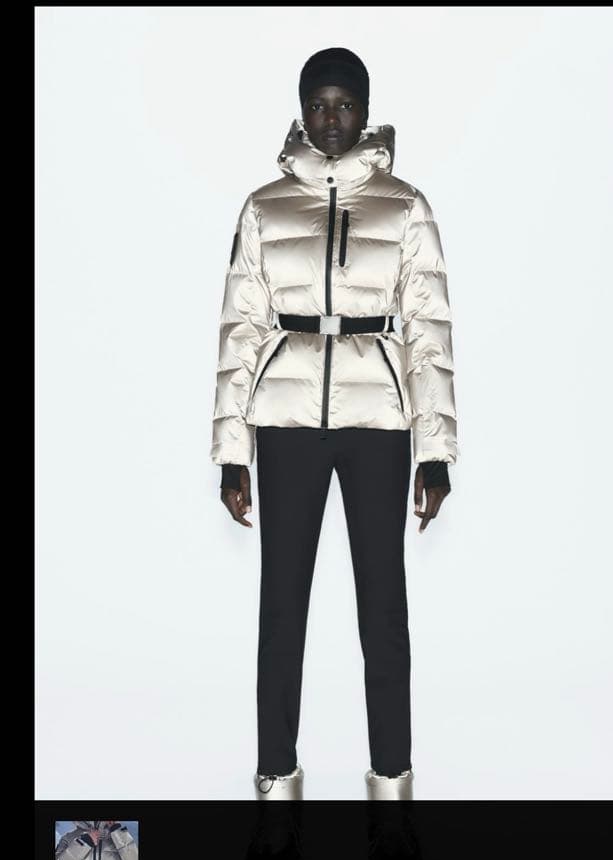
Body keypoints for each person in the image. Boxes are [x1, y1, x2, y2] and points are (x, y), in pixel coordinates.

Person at [211, 47, 458, 802]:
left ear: (366, 111)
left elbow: (428, 334)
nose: (330, 119)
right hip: (285, 425)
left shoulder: (405, 207)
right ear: (300, 110)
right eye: (317, 105)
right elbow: (240, 332)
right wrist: (232, 453)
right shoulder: (263, 207)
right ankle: (275, 784)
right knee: (281, 609)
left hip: (378, 424)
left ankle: (392, 787)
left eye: (344, 104)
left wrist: (435, 452)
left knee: (383, 609)